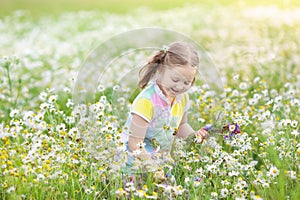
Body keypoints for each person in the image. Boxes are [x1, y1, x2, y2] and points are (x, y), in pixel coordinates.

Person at [120, 41, 209, 175]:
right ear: (161, 70)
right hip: (134, 160)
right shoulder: (146, 101)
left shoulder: (182, 97)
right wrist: (151, 166)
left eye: (187, 82)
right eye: (174, 79)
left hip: (160, 159)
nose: (179, 87)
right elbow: (134, 143)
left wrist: (194, 136)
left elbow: (181, 125)